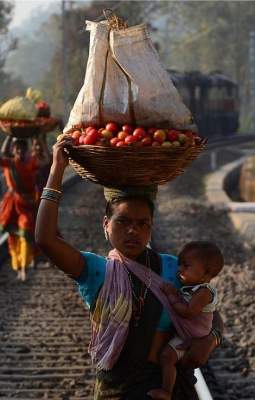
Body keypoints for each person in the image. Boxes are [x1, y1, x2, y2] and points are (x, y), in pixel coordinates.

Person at [35, 134, 224, 400]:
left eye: (142, 223)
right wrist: (56, 170)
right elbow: (45, 239)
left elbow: (208, 307)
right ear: (105, 224)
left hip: (170, 388)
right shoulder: (95, 271)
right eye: (123, 222)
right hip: (119, 391)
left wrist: (212, 338)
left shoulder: (172, 268)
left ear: (151, 226)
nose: (133, 230)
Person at [147, 241, 223, 400]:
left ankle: (166, 391)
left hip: (189, 336)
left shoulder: (203, 292)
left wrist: (172, 297)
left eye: (186, 266)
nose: (179, 269)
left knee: (167, 358)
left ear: (206, 273)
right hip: (187, 334)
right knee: (168, 358)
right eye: (180, 264)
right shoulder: (193, 288)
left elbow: (188, 312)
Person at [0, 136, 38, 281]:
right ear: (13, 150)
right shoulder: (9, 163)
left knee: (26, 232)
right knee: (12, 237)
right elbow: (2, 153)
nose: (20, 151)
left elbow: (45, 159)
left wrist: (38, 138)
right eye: (17, 148)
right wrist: (9, 136)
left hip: (26, 205)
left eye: (23, 148)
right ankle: (17, 266)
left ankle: (24, 267)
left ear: (26, 150)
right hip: (10, 206)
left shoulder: (31, 164)